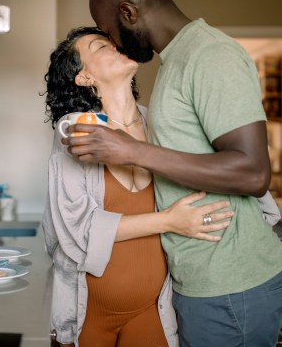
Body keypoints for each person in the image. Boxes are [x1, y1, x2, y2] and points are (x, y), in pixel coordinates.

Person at [64, 0, 282, 347]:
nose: (113, 41)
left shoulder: (211, 56)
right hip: (203, 286)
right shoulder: (175, 63)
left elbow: (254, 174)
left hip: (231, 287)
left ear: (128, 13)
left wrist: (134, 150)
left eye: (107, 31)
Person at [42, 26, 235, 347]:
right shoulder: (75, 134)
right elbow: (80, 228)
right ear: (85, 77)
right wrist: (169, 221)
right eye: (101, 46)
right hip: (88, 311)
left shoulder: (161, 123)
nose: (116, 46)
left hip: (152, 308)